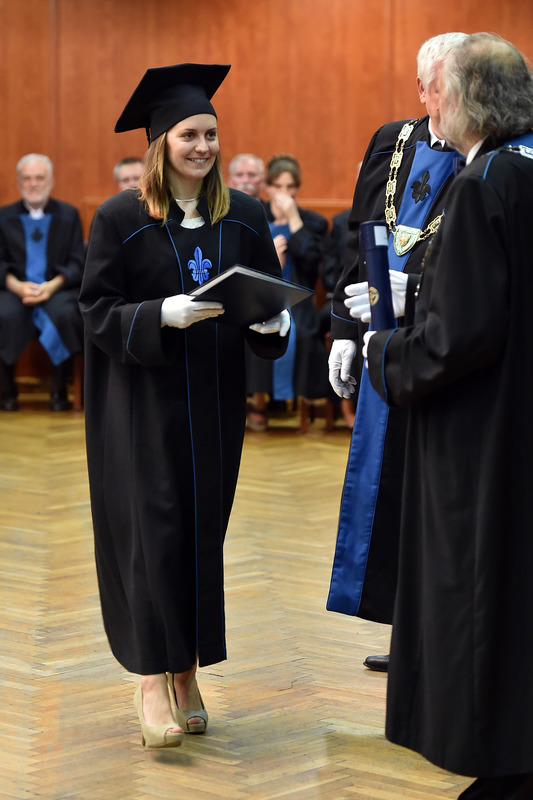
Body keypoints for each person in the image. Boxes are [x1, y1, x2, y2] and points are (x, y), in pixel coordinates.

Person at [79, 62, 290, 750]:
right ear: (160, 142)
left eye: (210, 134)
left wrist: (275, 325)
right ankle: (151, 680)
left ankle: (187, 672)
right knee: (152, 538)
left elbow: (266, 297)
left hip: (214, 409)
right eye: (188, 135)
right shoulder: (119, 218)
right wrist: (158, 314)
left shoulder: (245, 215)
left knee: (201, 535)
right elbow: (96, 311)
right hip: (142, 408)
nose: (202, 146)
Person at [363, 33, 533, 799]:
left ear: (463, 100)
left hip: (482, 435)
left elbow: (453, 341)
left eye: (439, 90)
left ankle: (500, 761)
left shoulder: (481, 184)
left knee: (479, 593)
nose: (430, 104)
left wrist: (382, 353)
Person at [326, 32, 468, 671]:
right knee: (391, 487)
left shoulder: (494, 155)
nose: (450, 99)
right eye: (440, 87)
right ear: (421, 89)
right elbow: (358, 240)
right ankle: (408, 633)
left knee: (439, 489)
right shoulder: (392, 140)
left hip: (446, 339)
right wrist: (342, 330)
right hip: (384, 341)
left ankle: (446, 636)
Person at [245, 153, 329, 431]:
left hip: (298, 301)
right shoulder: (254, 216)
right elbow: (242, 264)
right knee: (255, 327)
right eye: (278, 186)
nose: (285, 193)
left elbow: (313, 262)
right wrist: (272, 266)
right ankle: (257, 401)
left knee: (302, 333)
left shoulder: (312, 222)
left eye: (291, 187)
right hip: (260, 298)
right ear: (267, 187)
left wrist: (293, 219)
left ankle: (299, 401)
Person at [0, 154, 85, 411]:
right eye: (26, 178)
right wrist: (17, 286)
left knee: (64, 314)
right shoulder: (4, 216)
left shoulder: (68, 214)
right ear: (18, 182)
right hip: (14, 289)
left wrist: (51, 286)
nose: (33, 183)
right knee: (4, 313)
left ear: (51, 181)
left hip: (56, 288)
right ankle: (7, 391)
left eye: (39, 177)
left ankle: (59, 390)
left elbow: (77, 261)